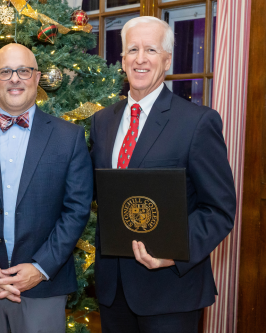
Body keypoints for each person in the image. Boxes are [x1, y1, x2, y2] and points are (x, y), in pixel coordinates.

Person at [89, 16, 236, 333]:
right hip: (112, 290)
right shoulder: (102, 122)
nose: (140, 59)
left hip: (171, 291)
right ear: (123, 59)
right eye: (132, 50)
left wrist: (174, 252)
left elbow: (219, 209)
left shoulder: (197, 122)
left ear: (167, 60)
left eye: (151, 50)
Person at [0, 43, 93, 333]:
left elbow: (76, 210)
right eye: (5, 71)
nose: (14, 78)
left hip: (43, 285)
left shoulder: (69, 137)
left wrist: (40, 268)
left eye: (23, 70)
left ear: (36, 78)